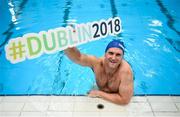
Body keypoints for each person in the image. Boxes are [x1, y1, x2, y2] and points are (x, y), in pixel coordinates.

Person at [64, 39, 133, 105]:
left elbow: (125, 100)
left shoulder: (126, 71)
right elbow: (78, 57)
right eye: (111, 53)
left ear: (122, 57)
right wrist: (67, 43)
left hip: (115, 93)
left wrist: (99, 94)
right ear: (105, 54)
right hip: (100, 90)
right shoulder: (97, 63)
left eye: (118, 55)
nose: (113, 58)